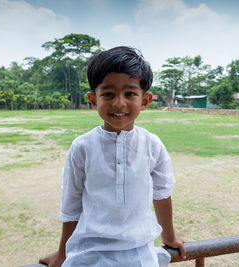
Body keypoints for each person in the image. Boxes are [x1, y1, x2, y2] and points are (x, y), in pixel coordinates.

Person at [39, 46, 186, 267]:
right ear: (93, 99)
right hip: (88, 253)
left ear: (145, 101)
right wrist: (63, 253)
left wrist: (169, 238)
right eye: (108, 94)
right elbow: (71, 205)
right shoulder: (82, 147)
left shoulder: (152, 145)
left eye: (130, 94)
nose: (119, 103)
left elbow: (162, 194)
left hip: (140, 253)